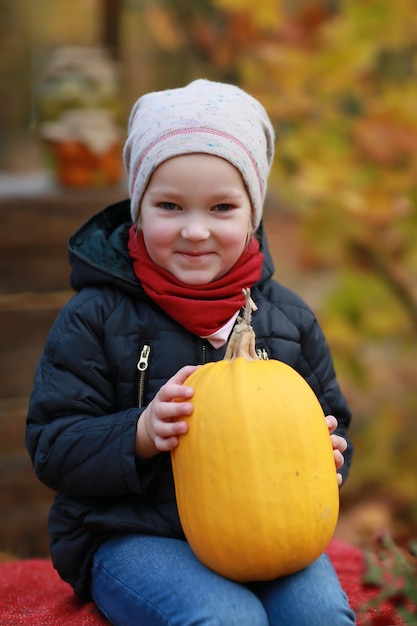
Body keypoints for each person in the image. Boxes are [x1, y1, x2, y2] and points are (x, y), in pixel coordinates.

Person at [26, 79, 356, 625]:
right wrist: (139, 434)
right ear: (138, 208)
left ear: (253, 212)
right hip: (132, 532)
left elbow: (335, 420)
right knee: (225, 618)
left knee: (320, 616)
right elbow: (51, 444)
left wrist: (327, 452)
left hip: (270, 528)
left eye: (222, 207)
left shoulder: (288, 319)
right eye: (170, 206)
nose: (196, 230)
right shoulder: (96, 316)